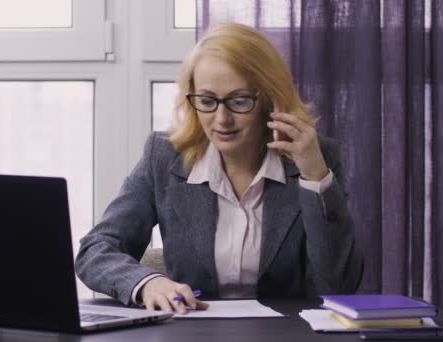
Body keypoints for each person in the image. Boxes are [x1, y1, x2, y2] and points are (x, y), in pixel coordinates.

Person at [75, 23, 363, 315]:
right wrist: (148, 283)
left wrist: (315, 178)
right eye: (207, 101)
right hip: (192, 332)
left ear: (269, 98)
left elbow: (338, 287)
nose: (222, 119)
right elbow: (96, 251)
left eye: (239, 101)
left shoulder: (315, 156)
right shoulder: (163, 156)